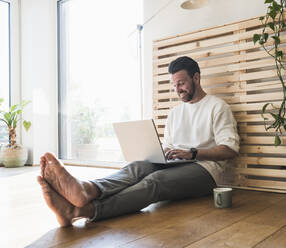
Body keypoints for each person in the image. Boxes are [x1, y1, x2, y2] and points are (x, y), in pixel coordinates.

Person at [37, 56, 239, 227]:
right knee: (137, 168)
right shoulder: (175, 113)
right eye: (175, 85)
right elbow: (169, 144)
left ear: (196, 77)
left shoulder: (217, 107)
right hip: (177, 165)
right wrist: (164, 151)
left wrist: (193, 153)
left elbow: (230, 149)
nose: (178, 89)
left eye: (182, 83)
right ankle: (88, 189)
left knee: (155, 181)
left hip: (206, 171)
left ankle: (84, 210)